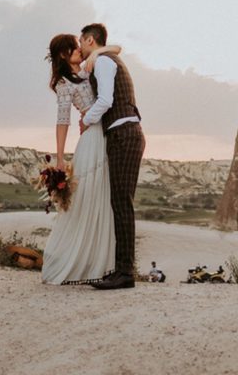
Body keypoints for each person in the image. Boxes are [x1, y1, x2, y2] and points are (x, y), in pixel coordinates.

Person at [40, 34, 115, 285]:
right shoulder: (64, 84)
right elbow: (63, 122)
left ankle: (99, 263)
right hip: (92, 137)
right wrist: (60, 158)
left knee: (103, 195)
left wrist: (95, 53)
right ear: (64, 54)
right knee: (87, 196)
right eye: (73, 47)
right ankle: (76, 264)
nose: (78, 50)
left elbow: (116, 48)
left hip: (105, 131)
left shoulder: (88, 68)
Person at [79, 22, 145, 290]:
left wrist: (87, 119)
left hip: (124, 134)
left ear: (90, 40)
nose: (80, 47)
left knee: (122, 203)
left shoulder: (105, 62)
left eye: (81, 41)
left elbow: (105, 100)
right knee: (119, 202)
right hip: (123, 133)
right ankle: (121, 269)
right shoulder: (105, 58)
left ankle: (125, 273)